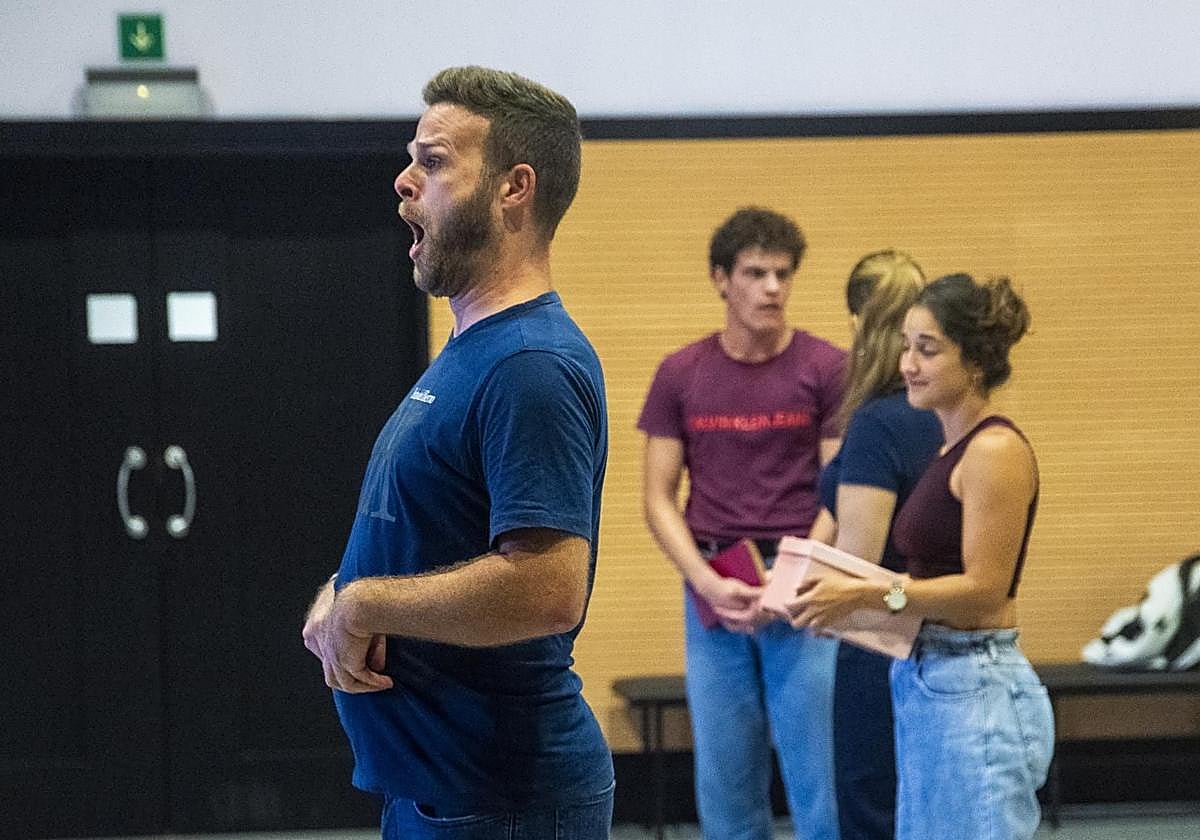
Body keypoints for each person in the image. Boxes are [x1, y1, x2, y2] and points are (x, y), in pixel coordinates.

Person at [301, 66, 613, 839]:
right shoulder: (475, 349)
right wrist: (345, 587)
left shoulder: (528, 365)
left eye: (434, 162)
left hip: (502, 800)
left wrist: (367, 604)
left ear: (514, 188)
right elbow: (435, 531)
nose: (405, 182)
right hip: (443, 791)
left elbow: (547, 588)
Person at [790, 273, 1055, 840]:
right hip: (931, 675)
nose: (908, 363)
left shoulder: (994, 449)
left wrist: (869, 594)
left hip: (976, 681)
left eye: (928, 350)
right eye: (907, 345)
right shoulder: (948, 448)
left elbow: (985, 589)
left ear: (976, 362)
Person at [638, 207, 844, 840]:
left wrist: (789, 579)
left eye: (783, 274)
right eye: (756, 273)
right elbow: (656, 497)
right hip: (715, 593)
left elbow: (839, 498)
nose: (773, 288)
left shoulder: (827, 367)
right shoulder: (681, 373)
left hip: (805, 591)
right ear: (720, 279)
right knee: (726, 786)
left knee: (822, 780)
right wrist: (705, 581)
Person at [791, 250, 942, 840]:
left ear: (858, 324)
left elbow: (857, 563)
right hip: (926, 632)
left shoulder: (879, 422)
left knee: (871, 807)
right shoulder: (941, 416)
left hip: (879, 641)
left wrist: (799, 598)